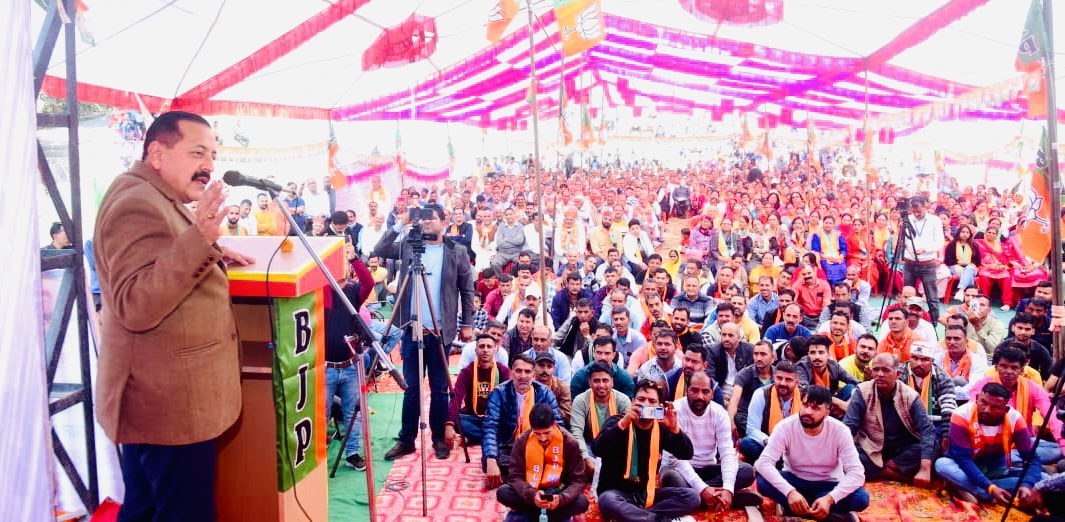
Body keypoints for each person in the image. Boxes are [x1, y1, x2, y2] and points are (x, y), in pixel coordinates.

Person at [94, 111, 253, 520]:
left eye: (213, 155)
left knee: (145, 510)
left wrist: (213, 251)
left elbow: (160, 258)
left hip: (161, 402)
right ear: (157, 153)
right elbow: (135, 302)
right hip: (169, 407)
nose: (209, 166)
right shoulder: (136, 203)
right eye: (197, 152)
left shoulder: (156, 194)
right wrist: (200, 240)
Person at [375, 203, 476, 462]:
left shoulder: (457, 251)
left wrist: (467, 323)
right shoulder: (410, 243)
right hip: (412, 328)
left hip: (440, 330)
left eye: (431, 219)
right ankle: (407, 439)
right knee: (411, 387)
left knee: (440, 389)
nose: (426, 223)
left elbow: (467, 290)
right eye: (423, 219)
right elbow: (380, 250)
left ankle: (438, 438)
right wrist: (402, 221)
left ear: (444, 221)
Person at [754, 385, 870, 521]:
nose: (808, 411)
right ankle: (825, 513)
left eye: (815, 408)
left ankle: (798, 508)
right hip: (794, 480)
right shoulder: (785, 427)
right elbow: (763, 463)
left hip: (828, 484)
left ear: (827, 412)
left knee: (861, 499)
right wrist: (790, 492)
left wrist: (830, 499)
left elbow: (856, 473)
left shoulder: (840, 431)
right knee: (762, 483)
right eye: (805, 405)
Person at [593, 380, 701, 522]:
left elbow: (686, 453)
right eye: (641, 399)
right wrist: (623, 424)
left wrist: (675, 430)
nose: (646, 405)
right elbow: (597, 449)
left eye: (652, 401)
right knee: (607, 500)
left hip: (646, 494)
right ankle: (658, 520)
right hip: (617, 492)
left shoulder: (660, 428)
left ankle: (635, 517)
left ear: (659, 406)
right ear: (632, 402)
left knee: (692, 497)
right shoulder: (618, 422)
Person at [661, 372, 762, 511]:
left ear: (712, 394)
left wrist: (727, 489)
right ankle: (723, 500)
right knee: (669, 477)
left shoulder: (719, 413)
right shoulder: (674, 411)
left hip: (707, 468)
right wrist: (703, 489)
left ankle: (699, 499)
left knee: (747, 471)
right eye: (694, 390)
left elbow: (727, 453)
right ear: (686, 390)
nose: (699, 397)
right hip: (678, 469)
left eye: (705, 392)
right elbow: (677, 460)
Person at [936, 383, 1041, 507]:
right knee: (942, 465)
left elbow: (1031, 459)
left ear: (1005, 410)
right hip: (966, 468)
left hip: (997, 469)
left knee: (1042, 478)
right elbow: (963, 459)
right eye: (983, 403)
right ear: (976, 399)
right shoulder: (961, 414)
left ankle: (967, 488)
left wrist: (1026, 485)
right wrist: (990, 488)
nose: (986, 410)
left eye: (995, 407)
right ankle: (987, 494)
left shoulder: (1015, 419)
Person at [843, 354, 936, 486]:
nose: (880, 374)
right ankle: (894, 473)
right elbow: (849, 426)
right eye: (876, 369)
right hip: (871, 447)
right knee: (849, 454)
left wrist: (925, 468)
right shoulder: (862, 391)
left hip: (902, 448)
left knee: (934, 446)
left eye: (886, 370)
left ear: (897, 374)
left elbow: (927, 429)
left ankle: (881, 469)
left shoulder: (910, 395)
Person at [968, 346, 1065, 465]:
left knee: (1058, 450)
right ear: (996, 367)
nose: (1009, 372)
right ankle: (1017, 461)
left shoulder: (1032, 387)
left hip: (1025, 441)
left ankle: (1015, 461)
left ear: (1022, 369)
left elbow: (1052, 418)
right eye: (1004, 366)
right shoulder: (983, 385)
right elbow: (970, 413)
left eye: (1014, 367)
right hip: (990, 442)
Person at [496, 403, 590, 522]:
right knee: (503, 492)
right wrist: (532, 495)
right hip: (531, 492)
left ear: (554, 424)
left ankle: (524, 516)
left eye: (546, 432)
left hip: (558, 492)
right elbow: (515, 476)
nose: (543, 439)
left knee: (582, 502)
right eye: (537, 434)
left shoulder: (570, 443)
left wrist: (561, 499)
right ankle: (556, 517)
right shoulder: (522, 441)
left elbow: (579, 480)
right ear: (531, 428)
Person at [483, 354, 564, 488]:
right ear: (511, 373)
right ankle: (527, 475)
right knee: (491, 462)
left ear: (533, 375)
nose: (523, 376)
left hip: (539, 444)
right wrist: (491, 458)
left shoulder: (544, 393)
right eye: (519, 371)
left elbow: (558, 425)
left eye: (527, 372)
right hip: (508, 447)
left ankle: (517, 477)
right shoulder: (499, 393)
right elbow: (490, 427)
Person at [569, 361, 633, 478]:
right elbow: (576, 434)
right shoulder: (581, 400)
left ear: (612, 382)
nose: (601, 385)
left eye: (605, 380)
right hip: (590, 446)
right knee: (574, 453)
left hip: (616, 448)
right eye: (596, 381)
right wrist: (586, 459)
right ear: (589, 382)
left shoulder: (623, 400)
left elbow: (629, 434)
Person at [447, 334, 511, 447]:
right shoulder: (467, 371)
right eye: (481, 346)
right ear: (476, 350)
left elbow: (509, 399)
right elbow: (456, 397)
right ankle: (491, 437)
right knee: (454, 419)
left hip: (494, 419)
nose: (485, 350)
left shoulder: (503, 371)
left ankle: (474, 438)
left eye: (489, 347)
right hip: (473, 417)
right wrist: (449, 424)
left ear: (495, 349)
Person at [739, 361, 801, 463]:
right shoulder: (761, 394)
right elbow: (752, 429)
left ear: (797, 382)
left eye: (788, 380)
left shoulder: (804, 398)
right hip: (769, 444)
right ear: (774, 377)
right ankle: (782, 463)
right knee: (746, 444)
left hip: (795, 447)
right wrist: (772, 442)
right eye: (779, 378)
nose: (783, 383)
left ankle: (776, 463)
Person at [897, 342, 957, 441]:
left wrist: (946, 438)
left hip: (935, 424)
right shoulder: (899, 374)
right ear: (909, 358)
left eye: (924, 359)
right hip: (904, 423)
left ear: (932, 361)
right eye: (915, 358)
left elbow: (948, 410)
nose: (918, 363)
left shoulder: (942, 378)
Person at [902, 196, 945, 323]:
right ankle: (906, 320)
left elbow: (939, 242)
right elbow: (903, 239)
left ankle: (934, 322)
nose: (916, 214)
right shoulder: (907, 219)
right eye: (914, 211)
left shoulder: (934, 220)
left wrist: (925, 249)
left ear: (925, 207)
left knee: (931, 295)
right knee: (907, 294)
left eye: (919, 211)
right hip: (909, 262)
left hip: (927, 263)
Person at [796, 335, 858, 417]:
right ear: (808, 355)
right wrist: (840, 403)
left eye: (821, 352)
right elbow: (805, 391)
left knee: (851, 388)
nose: (817, 357)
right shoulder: (801, 367)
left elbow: (858, 383)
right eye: (812, 352)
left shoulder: (833, 366)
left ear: (828, 354)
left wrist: (847, 404)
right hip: (810, 405)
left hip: (831, 405)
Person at [728, 340, 775, 438]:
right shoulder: (744, 373)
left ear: (772, 357)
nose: (758, 358)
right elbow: (734, 400)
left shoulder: (779, 375)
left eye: (763, 354)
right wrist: (730, 421)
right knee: (746, 442)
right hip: (747, 417)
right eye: (756, 354)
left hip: (772, 416)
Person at [570, 335, 635, 399]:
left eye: (607, 353)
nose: (602, 357)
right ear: (593, 353)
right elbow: (575, 404)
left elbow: (628, 406)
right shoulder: (579, 377)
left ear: (613, 355)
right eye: (599, 353)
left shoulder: (625, 378)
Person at [706, 322, 754, 403]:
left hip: (744, 397)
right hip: (720, 396)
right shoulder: (712, 351)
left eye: (730, 335)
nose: (726, 339)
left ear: (739, 338)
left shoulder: (750, 350)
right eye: (724, 335)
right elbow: (710, 379)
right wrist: (720, 398)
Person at [941, 324, 988, 397]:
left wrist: (947, 391)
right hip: (940, 399)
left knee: (959, 380)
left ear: (966, 341)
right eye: (948, 338)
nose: (952, 342)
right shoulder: (937, 358)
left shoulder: (978, 361)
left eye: (957, 338)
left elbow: (974, 387)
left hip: (967, 401)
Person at [533, 352, 573, 426]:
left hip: (554, 425)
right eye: (541, 365)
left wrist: (549, 404)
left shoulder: (562, 387)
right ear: (534, 367)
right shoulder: (528, 384)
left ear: (554, 369)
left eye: (549, 366)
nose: (545, 370)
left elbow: (568, 417)